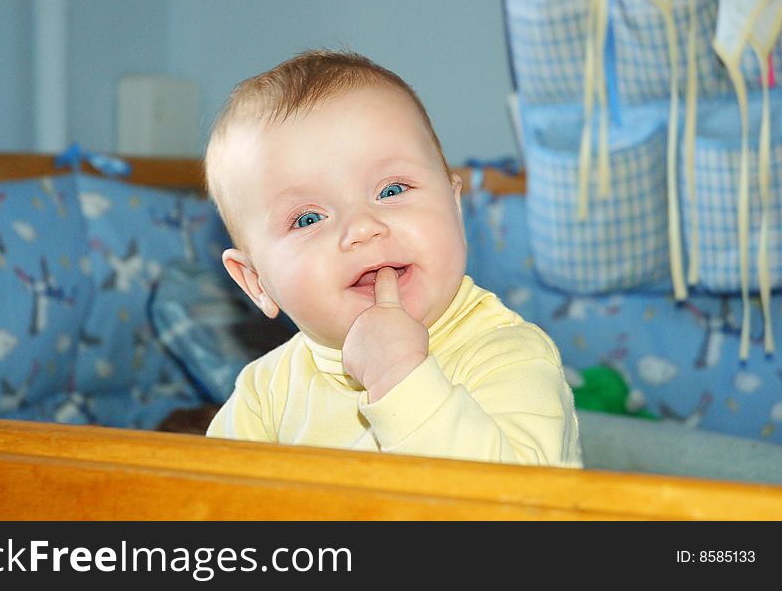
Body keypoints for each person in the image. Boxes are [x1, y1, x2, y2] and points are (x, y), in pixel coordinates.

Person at [203, 49, 582, 467]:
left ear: (455, 209)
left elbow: (512, 507)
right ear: (256, 281)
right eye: (308, 218)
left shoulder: (507, 356)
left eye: (392, 190)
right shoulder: (265, 393)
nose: (363, 227)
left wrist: (399, 378)